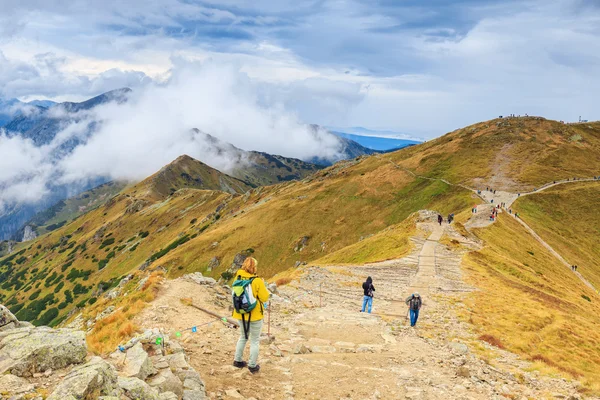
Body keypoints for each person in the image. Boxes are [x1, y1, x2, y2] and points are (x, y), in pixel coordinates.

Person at [232, 257, 269, 374]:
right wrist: (263, 285)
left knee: (243, 336)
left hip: (240, 313)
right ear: (254, 267)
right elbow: (264, 297)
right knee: (254, 340)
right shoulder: (257, 281)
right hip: (255, 315)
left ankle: (237, 361)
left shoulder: (237, 277)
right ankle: (252, 365)